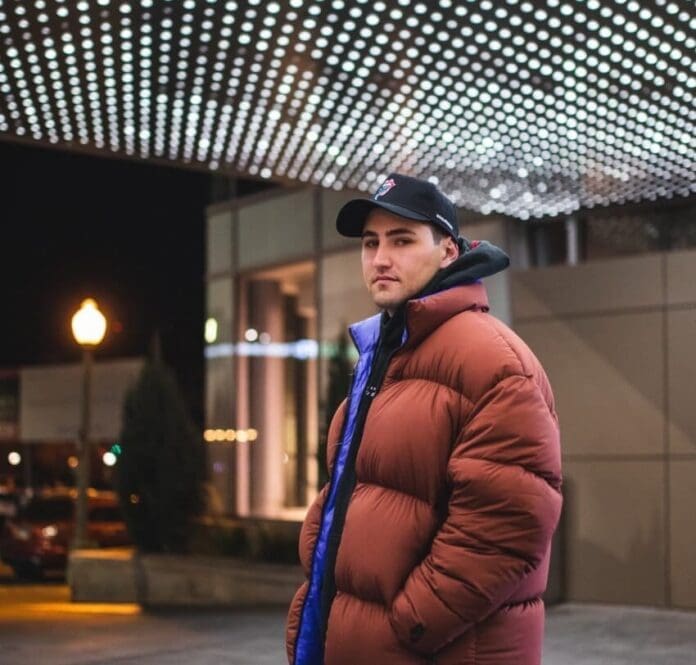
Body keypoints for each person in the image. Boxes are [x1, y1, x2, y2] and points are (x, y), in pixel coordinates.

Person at [286, 173, 562, 665]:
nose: (381, 258)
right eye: (371, 243)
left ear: (449, 252)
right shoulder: (385, 355)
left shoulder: (493, 362)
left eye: (402, 240)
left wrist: (406, 626)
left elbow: (505, 526)